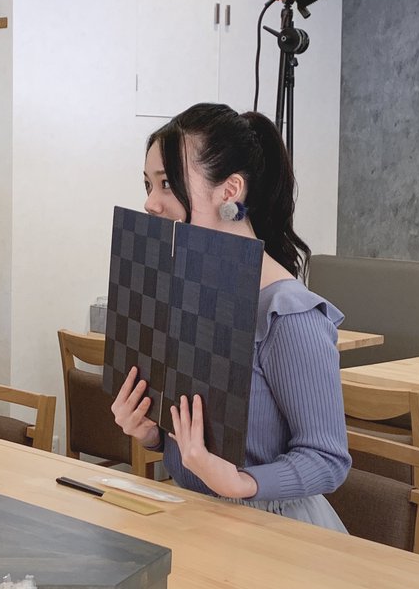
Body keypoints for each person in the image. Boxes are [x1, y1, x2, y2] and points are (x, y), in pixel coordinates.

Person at [111, 102, 351, 532]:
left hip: (279, 533)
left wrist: (242, 482)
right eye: (148, 184)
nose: (150, 202)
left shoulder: (288, 314)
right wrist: (151, 432)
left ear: (230, 190)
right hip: (196, 516)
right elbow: (199, 439)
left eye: (167, 184)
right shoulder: (183, 293)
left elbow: (328, 460)